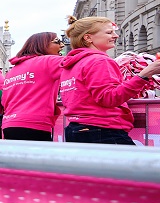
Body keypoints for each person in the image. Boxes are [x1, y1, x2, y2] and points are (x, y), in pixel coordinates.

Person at [60, 15, 160, 144]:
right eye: (109, 32)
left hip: (77, 129)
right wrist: (144, 75)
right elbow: (108, 98)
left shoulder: (72, 64)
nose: (116, 36)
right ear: (88, 37)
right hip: (103, 130)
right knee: (135, 164)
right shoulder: (99, 60)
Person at [1, 32, 64, 142]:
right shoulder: (48, 61)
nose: (62, 45)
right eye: (57, 41)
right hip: (34, 124)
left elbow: (4, 100)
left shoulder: (13, 71)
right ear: (42, 44)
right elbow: (81, 65)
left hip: (9, 124)